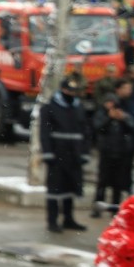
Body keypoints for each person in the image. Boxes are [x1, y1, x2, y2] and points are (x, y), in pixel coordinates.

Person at [37, 74, 91, 233]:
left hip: (74, 154)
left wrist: (84, 152)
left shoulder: (78, 107)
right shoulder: (50, 107)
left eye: (73, 91)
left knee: (71, 186)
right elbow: (44, 132)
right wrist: (48, 153)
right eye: (68, 90)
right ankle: (52, 220)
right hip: (57, 153)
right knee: (55, 189)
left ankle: (68, 219)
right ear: (62, 89)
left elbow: (86, 131)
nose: (71, 94)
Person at [91, 93, 134, 217]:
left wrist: (123, 119)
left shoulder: (123, 114)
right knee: (102, 182)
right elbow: (98, 129)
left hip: (120, 153)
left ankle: (115, 209)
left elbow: (131, 128)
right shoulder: (101, 114)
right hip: (106, 153)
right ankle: (97, 208)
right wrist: (109, 119)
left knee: (118, 184)